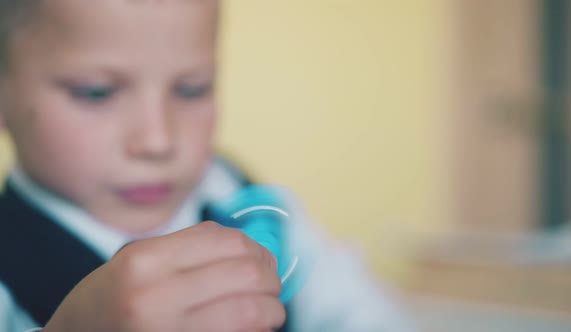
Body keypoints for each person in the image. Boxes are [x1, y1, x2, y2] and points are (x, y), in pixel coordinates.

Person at [0, 1, 411, 331]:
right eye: (97, 92)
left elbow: (365, 312)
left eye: (191, 89)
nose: (157, 140)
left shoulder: (245, 201)